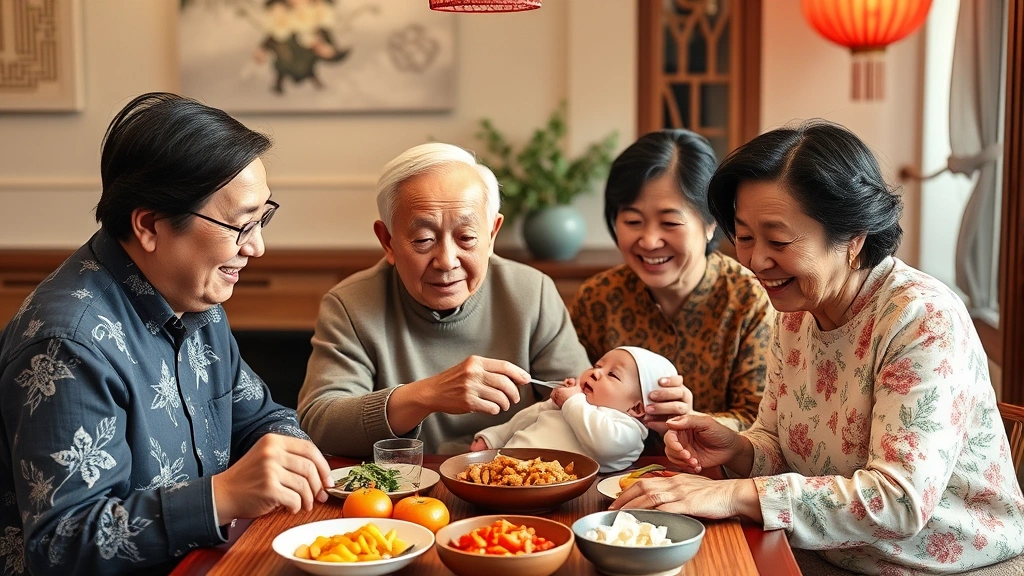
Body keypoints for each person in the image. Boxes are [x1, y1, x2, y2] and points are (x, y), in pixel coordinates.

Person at [612, 120, 1024, 575]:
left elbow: (898, 502)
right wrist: (737, 449)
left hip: (943, 566)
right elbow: (779, 443)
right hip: (828, 552)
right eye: (744, 237)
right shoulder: (795, 312)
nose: (754, 261)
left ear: (853, 238)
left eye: (779, 240)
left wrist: (733, 493)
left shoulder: (921, 319)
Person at [0, 93, 334, 575]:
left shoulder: (193, 298)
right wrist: (221, 496)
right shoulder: (67, 347)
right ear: (150, 225)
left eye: (262, 219)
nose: (257, 246)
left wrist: (293, 460)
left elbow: (258, 418)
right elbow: (62, 545)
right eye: (241, 225)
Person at [297, 142, 696, 457]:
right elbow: (319, 422)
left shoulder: (531, 292)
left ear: (492, 234)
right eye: (423, 240)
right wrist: (426, 394)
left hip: (520, 489)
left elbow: (589, 406)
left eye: (467, 238)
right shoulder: (350, 304)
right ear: (387, 241)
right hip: (404, 494)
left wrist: (661, 415)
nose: (446, 261)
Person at [570, 130, 771, 434]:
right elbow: (573, 398)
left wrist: (692, 420)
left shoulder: (749, 300)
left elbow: (761, 426)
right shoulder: (598, 297)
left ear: (710, 222)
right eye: (633, 222)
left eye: (670, 223)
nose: (649, 241)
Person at [470, 346, 678, 473]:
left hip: (573, 495)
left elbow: (605, 445)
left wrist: (572, 401)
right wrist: (494, 437)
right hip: (506, 468)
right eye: (597, 365)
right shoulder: (576, 405)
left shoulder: (628, 429)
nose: (596, 373)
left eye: (612, 375)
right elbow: (527, 418)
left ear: (636, 407)